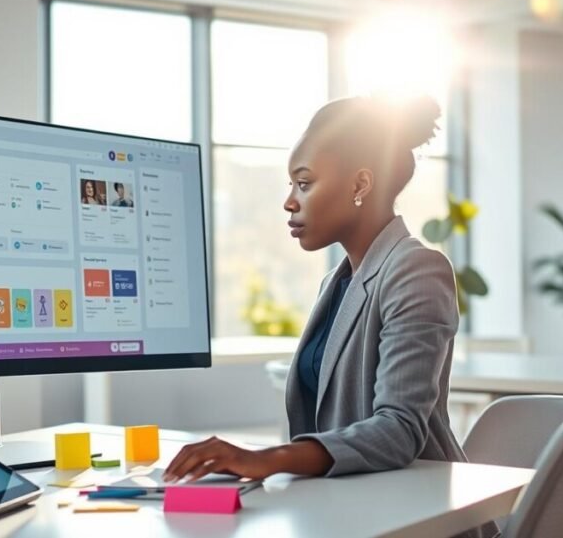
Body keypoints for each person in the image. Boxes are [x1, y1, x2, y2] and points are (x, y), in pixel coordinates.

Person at [164, 95, 494, 538]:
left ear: (361, 184)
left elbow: (398, 430)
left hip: (421, 519)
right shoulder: (335, 283)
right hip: (352, 510)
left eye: (304, 183)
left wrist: (268, 459)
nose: (289, 202)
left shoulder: (417, 270)